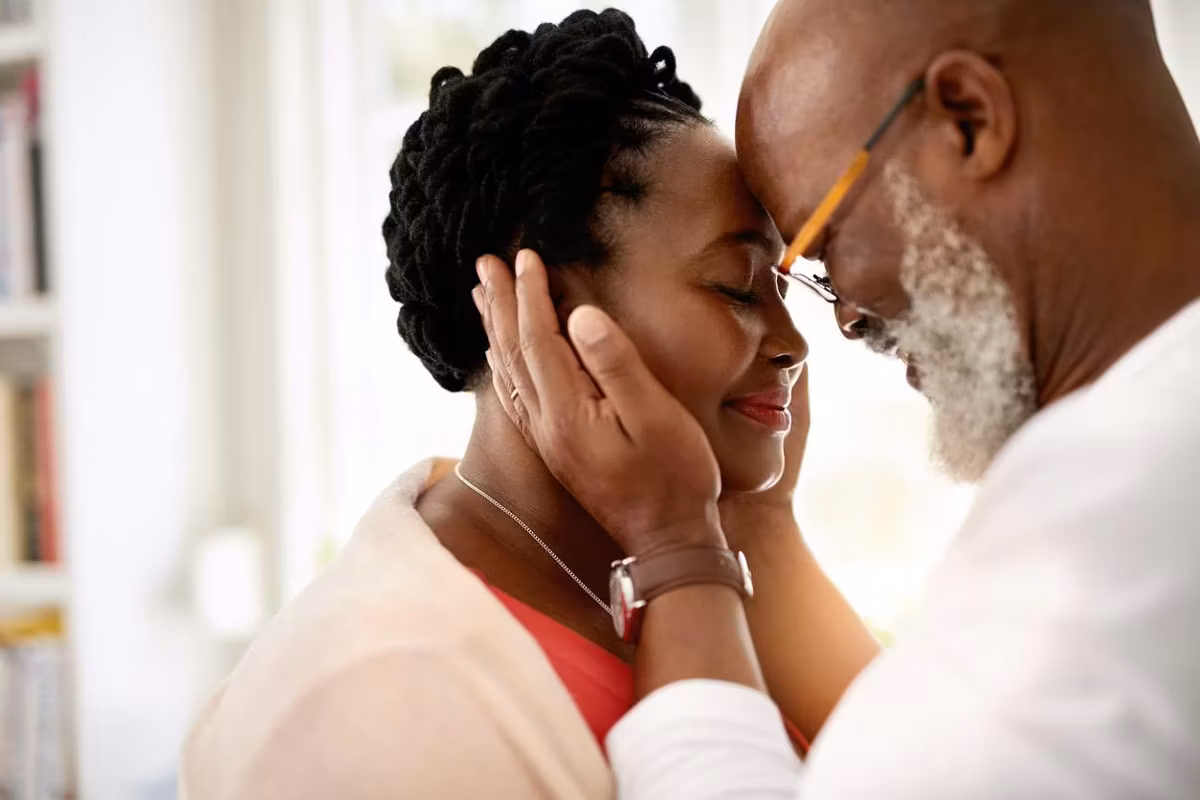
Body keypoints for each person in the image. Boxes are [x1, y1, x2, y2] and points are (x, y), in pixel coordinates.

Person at [475, 0, 1200, 797]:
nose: (843, 319)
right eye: (739, 286)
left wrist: (674, 545)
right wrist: (755, 518)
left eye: (824, 246)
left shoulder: (1127, 511)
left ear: (966, 120)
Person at [179, 9, 879, 799]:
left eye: (784, 291)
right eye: (737, 287)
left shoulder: (673, 582)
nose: (797, 342)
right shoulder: (380, 693)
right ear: (542, 308)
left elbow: (926, 774)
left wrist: (753, 521)